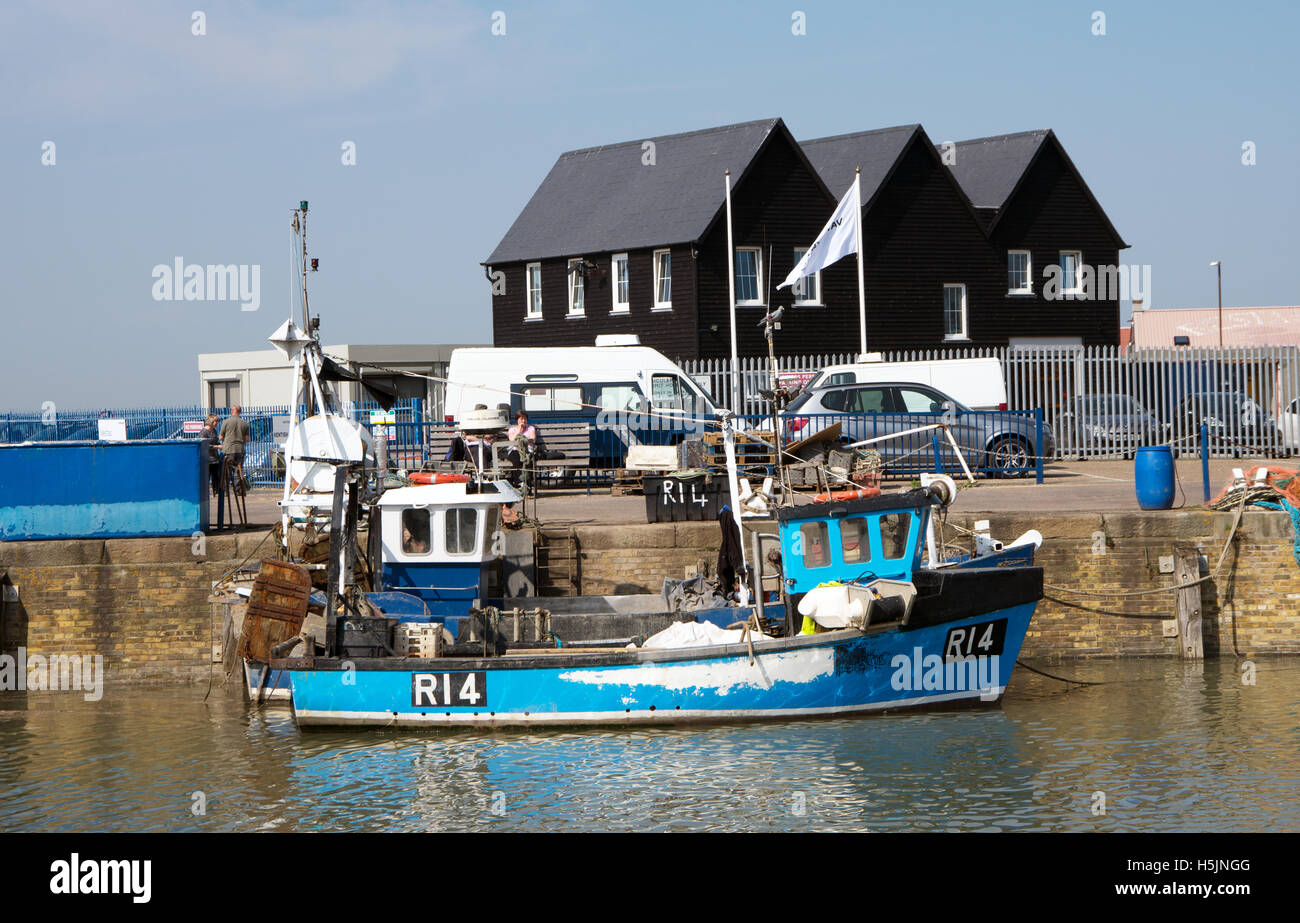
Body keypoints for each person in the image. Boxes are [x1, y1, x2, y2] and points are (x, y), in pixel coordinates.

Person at [219, 404, 251, 491]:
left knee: (227, 471)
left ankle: (225, 491)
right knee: (238, 471)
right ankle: (238, 490)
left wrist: (227, 441)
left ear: (231, 411)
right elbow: (247, 439)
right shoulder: (245, 423)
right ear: (240, 412)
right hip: (240, 449)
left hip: (228, 449)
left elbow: (221, 437)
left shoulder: (226, 422)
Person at [199, 414, 222, 495]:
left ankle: (216, 491)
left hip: (215, 458)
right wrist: (217, 447)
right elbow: (203, 445)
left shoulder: (214, 430)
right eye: (216, 421)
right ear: (211, 421)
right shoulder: (203, 432)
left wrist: (220, 445)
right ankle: (205, 493)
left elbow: (216, 441)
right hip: (207, 459)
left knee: (216, 476)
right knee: (206, 477)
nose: (217, 423)